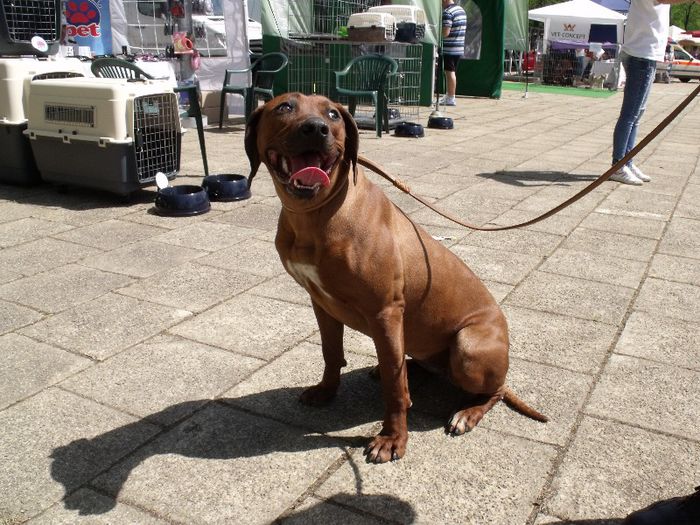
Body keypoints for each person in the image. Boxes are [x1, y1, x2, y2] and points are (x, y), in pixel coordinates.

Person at [610, 0, 694, 185]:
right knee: (630, 115)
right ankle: (618, 164)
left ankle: (627, 161)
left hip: (645, 53)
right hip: (642, 54)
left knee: (637, 114)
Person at [439, 0, 466, 107]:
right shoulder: (461, 10)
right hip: (459, 47)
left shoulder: (447, 12)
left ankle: (451, 97)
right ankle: (449, 95)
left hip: (450, 48)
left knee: (449, 72)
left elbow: (445, 32)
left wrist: (436, 35)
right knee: (451, 72)